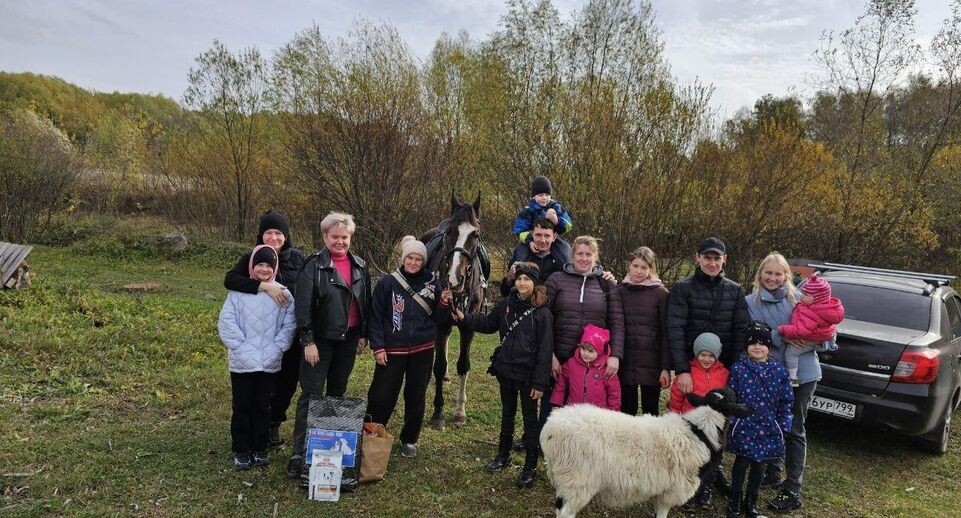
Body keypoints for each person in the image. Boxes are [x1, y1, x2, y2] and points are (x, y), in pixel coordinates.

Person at [287, 212, 371, 479]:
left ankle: (327, 451)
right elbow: (303, 307)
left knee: (337, 393)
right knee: (311, 396)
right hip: (319, 341)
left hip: (348, 340)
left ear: (350, 238)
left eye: (344, 237)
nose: (340, 242)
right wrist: (307, 340)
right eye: (334, 237)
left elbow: (363, 301)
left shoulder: (360, 266)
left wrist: (363, 334)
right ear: (325, 237)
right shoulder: (313, 266)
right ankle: (299, 452)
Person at [744, 253, 831, 512]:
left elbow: (828, 331)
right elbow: (753, 337)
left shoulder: (799, 300)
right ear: (760, 275)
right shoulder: (750, 303)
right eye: (768, 273)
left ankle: (792, 487)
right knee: (768, 421)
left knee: (794, 428)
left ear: (786, 276)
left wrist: (815, 340)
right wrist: (784, 337)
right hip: (768, 373)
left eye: (778, 273)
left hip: (802, 375)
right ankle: (772, 470)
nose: (772, 278)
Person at [666, 236, 749, 504]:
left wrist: (733, 375)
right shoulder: (682, 289)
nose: (712, 263)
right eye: (707, 257)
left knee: (717, 427)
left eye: (717, 258)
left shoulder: (734, 291)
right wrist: (682, 370)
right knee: (689, 424)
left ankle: (710, 479)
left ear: (724, 260)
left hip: (721, 373)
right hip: (692, 369)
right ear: (698, 258)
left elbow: (739, 333)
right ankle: (684, 480)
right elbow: (675, 330)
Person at [454, 262, 553, 488]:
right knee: (507, 415)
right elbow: (489, 324)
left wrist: (540, 382)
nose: (522, 283)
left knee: (530, 421)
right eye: (519, 279)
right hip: (506, 371)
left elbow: (546, 350)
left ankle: (530, 466)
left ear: (535, 282)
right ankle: (503, 455)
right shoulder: (506, 304)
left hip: (528, 376)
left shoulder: (543, 312)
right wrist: (465, 317)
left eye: (527, 279)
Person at [223, 210, 304, 448]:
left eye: (279, 233)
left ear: (286, 236)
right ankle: (253, 429)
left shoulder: (298, 259)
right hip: (258, 336)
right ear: (261, 235)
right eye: (269, 232)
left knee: (287, 383)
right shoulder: (252, 258)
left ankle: (273, 424)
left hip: (289, 331)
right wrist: (264, 287)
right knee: (260, 386)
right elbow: (230, 280)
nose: (274, 238)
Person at [366, 236, 452, 459]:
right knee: (382, 394)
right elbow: (375, 318)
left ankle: (410, 439)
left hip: (423, 350)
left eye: (418, 259)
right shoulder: (387, 283)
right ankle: (373, 432)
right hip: (392, 350)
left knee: (416, 396)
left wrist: (443, 303)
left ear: (423, 261)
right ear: (404, 259)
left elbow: (441, 320)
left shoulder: (433, 284)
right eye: (410, 258)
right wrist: (378, 347)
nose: (413, 262)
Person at [218, 245, 296, 470]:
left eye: (268, 265)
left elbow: (289, 324)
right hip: (242, 361)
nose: (263, 269)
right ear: (252, 266)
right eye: (259, 264)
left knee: (263, 405)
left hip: (269, 360)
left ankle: (259, 447)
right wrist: (239, 347)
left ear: (275, 268)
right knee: (242, 404)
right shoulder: (238, 293)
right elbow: (227, 322)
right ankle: (242, 448)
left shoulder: (283, 294)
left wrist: (279, 346)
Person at [543, 235, 624, 428]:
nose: (584, 258)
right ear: (572, 255)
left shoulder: (606, 284)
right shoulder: (556, 279)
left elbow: (617, 321)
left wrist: (616, 356)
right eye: (580, 253)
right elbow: (543, 320)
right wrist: (550, 355)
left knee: (588, 414)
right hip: (560, 358)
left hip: (593, 361)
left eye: (589, 254)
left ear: (595, 257)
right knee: (552, 407)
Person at [726, 322, 794, 518]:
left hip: (768, 426)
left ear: (769, 347)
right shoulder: (739, 368)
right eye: (753, 343)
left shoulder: (779, 371)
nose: (757, 347)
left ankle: (751, 502)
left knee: (760, 465)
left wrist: (783, 425)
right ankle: (735, 501)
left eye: (762, 343)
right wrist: (733, 419)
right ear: (746, 346)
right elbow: (732, 396)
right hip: (744, 425)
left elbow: (786, 400)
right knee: (741, 463)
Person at [618, 246, 671, 416]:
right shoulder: (620, 291)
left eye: (644, 268)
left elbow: (665, 332)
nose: (639, 271)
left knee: (651, 411)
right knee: (627, 411)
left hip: (652, 364)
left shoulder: (660, 294)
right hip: (625, 362)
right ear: (629, 265)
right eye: (635, 266)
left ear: (650, 269)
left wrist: (665, 367)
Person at [778, 273, 844, 386]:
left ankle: (792, 378)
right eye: (803, 293)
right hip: (819, 338)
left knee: (791, 353)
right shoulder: (826, 308)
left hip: (807, 340)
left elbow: (802, 330)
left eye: (806, 295)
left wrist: (783, 330)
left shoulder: (810, 311)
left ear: (818, 298)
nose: (802, 296)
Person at [550, 324, 621, 410]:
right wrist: (556, 403)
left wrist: (614, 410)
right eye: (583, 349)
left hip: (598, 414)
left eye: (591, 351)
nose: (586, 354)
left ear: (600, 351)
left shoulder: (606, 369)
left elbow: (614, 392)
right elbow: (561, 384)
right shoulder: (571, 363)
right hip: (574, 411)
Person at [500, 218, 571, 297]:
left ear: (554, 237)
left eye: (547, 236)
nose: (542, 240)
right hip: (525, 306)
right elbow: (505, 294)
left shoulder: (562, 259)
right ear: (531, 234)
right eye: (538, 235)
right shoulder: (521, 256)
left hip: (552, 306)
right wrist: (509, 279)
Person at [667, 332, 729, 414]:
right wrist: (674, 413)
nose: (707, 359)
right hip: (690, 418)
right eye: (703, 355)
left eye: (711, 356)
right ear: (696, 354)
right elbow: (677, 396)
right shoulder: (688, 373)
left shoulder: (724, 373)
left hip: (713, 419)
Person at [511, 175, 573, 245]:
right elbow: (519, 230)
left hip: (553, 241)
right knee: (521, 253)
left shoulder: (556, 207)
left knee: (565, 250)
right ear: (534, 196)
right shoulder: (528, 211)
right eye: (540, 195)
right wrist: (530, 241)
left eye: (547, 195)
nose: (544, 198)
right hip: (533, 241)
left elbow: (569, 225)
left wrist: (557, 221)